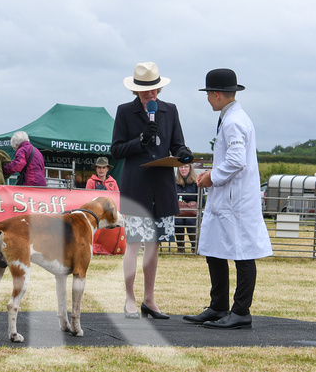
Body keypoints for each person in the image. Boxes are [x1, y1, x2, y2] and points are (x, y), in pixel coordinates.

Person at [183, 68, 272, 329]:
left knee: (243, 253)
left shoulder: (234, 121)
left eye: (208, 94)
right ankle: (218, 305)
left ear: (217, 94)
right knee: (214, 248)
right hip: (227, 199)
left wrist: (212, 176)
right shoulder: (230, 117)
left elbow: (236, 160)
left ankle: (241, 310)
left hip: (236, 202)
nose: (208, 99)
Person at [111, 62, 193, 320]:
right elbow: (116, 150)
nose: (151, 94)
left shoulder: (170, 110)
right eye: (145, 90)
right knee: (134, 245)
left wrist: (183, 154)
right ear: (136, 90)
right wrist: (141, 140)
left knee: (154, 246)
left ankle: (149, 299)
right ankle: (129, 299)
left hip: (162, 186)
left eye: (154, 89)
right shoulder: (125, 112)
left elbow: (177, 144)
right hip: (137, 186)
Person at [175, 164, 198, 253]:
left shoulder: (196, 182)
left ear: (190, 168)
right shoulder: (174, 182)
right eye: (181, 167)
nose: (183, 169)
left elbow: (202, 200)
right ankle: (180, 247)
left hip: (192, 213)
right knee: (178, 221)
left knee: (190, 221)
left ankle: (194, 246)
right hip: (178, 212)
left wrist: (191, 205)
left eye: (186, 167)